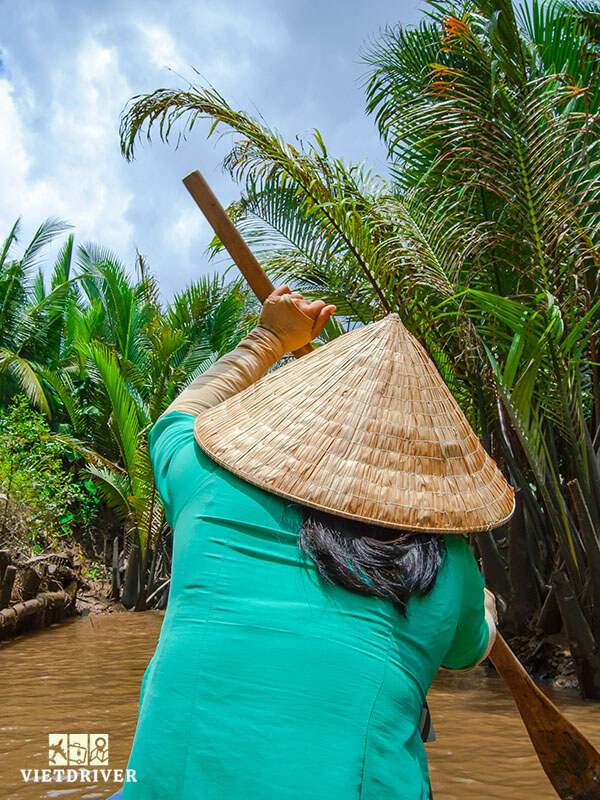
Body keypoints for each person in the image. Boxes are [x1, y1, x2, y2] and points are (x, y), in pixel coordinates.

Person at [108, 286, 512, 800]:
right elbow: (468, 651)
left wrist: (270, 337)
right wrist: (485, 606)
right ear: (422, 461)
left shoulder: (207, 482)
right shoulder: (449, 565)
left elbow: (176, 421)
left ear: (305, 418)